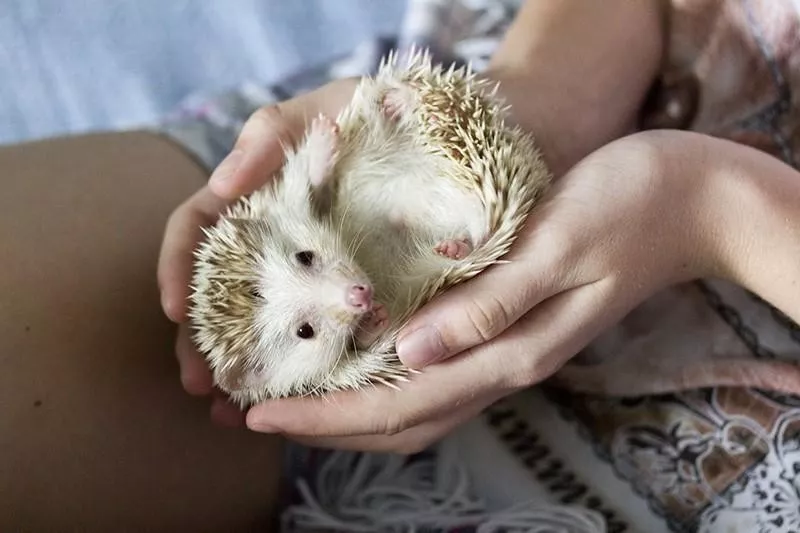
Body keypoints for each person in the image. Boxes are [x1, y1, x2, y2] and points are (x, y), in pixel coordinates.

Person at [3, 1, 799, 531]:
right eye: (308, 320)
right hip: (480, 128)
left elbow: (710, 205)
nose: (347, 293)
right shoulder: (301, 226)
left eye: (312, 271)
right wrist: (546, 100)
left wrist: (712, 204)